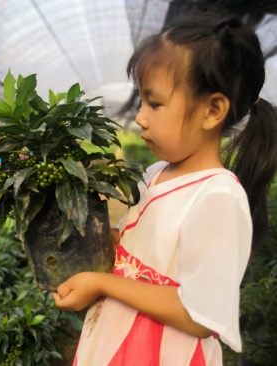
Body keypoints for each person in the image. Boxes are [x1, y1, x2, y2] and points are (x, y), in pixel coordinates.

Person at [52, 12, 277, 365]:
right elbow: (138, 251)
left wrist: (101, 284)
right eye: (141, 101)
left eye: (154, 104)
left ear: (212, 110)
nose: (140, 117)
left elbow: (198, 315)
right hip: (115, 341)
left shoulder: (218, 196)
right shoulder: (156, 173)